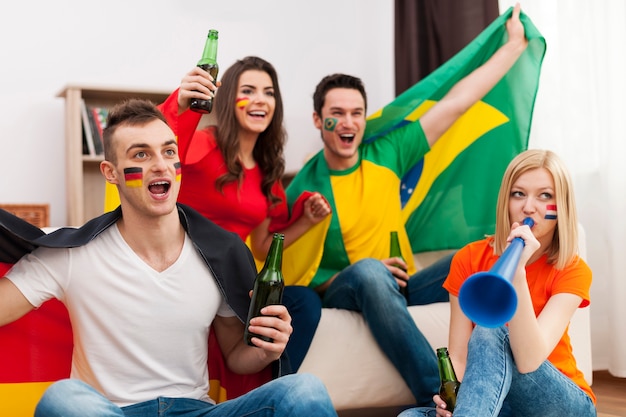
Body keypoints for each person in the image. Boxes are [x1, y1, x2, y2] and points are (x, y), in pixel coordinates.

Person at [0, 99, 337, 417]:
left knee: (305, 390)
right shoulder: (72, 254)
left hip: (196, 409)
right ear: (110, 172)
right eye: (141, 154)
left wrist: (267, 349)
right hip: (110, 411)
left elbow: (236, 355)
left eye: (168, 151)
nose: (160, 164)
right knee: (64, 399)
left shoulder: (219, 253)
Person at [285, 3, 529, 407]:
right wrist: (362, 272)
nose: (348, 123)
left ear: (365, 118)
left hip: (400, 288)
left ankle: (509, 385)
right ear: (317, 120)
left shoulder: (387, 152)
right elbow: (300, 275)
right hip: (349, 288)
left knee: (480, 255)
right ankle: (444, 396)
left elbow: (455, 104)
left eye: (356, 113)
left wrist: (513, 48)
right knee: (367, 271)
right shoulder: (305, 190)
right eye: (336, 114)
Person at [158, 56, 331, 373]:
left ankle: (278, 389)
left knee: (303, 302)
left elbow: (263, 245)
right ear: (228, 99)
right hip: (188, 269)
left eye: (268, 92)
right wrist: (180, 101)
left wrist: (306, 221)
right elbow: (149, 145)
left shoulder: (268, 172)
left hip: (234, 279)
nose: (260, 100)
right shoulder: (202, 144)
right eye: (248, 90)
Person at [399, 149, 596, 417]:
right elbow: (458, 356)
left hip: (562, 404)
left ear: (561, 207)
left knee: (490, 330)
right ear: (506, 201)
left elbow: (529, 360)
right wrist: (452, 400)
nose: (528, 207)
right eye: (518, 194)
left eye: (545, 196)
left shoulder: (572, 269)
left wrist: (517, 272)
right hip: (499, 403)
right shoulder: (468, 259)